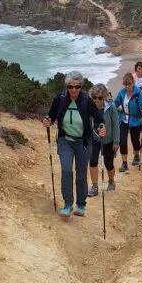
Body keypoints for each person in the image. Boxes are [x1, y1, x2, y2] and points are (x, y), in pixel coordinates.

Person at [43, 71, 106, 218]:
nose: (74, 90)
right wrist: (47, 120)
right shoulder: (60, 99)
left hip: (83, 142)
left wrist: (102, 127)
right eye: (70, 87)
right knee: (66, 170)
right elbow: (51, 116)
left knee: (81, 174)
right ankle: (67, 204)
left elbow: (99, 119)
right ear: (67, 87)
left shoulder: (86, 100)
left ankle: (81, 205)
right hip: (65, 140)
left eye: (77, 87)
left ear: (81, 87)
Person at [88, 83, 119, 195]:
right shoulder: (90, 107)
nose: (97, 100)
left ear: (104, 97)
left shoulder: (111, 108)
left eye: (100, 98)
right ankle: (95, 187)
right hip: (94, 139)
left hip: (108, 140)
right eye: (94, 98)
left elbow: (115, 125)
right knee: (92, 161)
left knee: (108, 164)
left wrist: (116, 142)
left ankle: (111, 181)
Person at [114, 72, 142, 171]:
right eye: (126, 84)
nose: (127, 87)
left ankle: (136, 156)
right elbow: (115, 103)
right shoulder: (122, 92)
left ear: (133, 82)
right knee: (122, 141)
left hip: (135, 120)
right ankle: (124, 164)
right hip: (123, 119)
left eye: (129, 84)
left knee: (135, 141)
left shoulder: (138, 93)